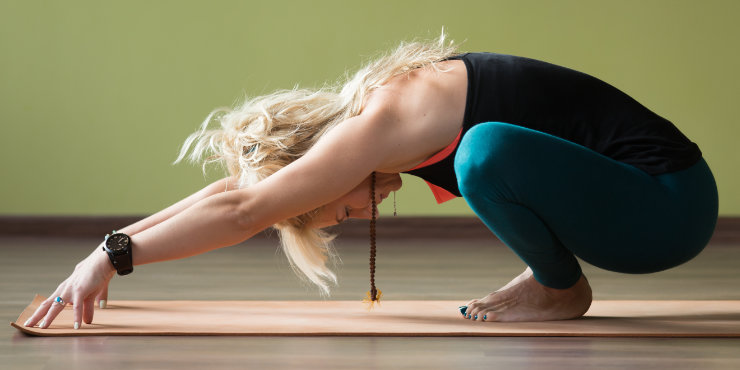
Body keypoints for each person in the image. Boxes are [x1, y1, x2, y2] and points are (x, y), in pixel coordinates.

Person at [24, 32, 718, 329]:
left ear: (315, 172)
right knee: (484, 157)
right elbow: (235, 193)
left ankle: (559, 288)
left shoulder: (384, 119)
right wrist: (108, 245)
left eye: (347, 215)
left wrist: (114, 259)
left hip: (668, 208)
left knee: (483, 156)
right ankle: (556, 280)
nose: (370, 210)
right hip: (654, 204)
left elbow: (245, 209)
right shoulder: (379, 115)